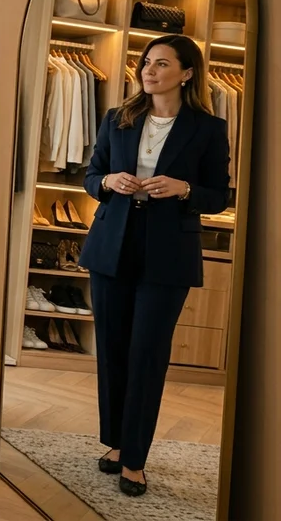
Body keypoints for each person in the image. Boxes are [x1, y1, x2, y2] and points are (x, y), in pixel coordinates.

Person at [78, 34, 230, 497]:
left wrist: (183, 188)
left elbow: (218, 195)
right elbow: (90, 176)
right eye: (146, 62)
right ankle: (118, 443)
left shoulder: (208, 128)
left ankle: (135, 459)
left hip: (167, 251)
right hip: (112, 244)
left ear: (186, 74)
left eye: (161, 64)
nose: (149, 70)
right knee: (114, 348)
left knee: (148, 352)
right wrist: (107, 180)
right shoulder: (117, 119)